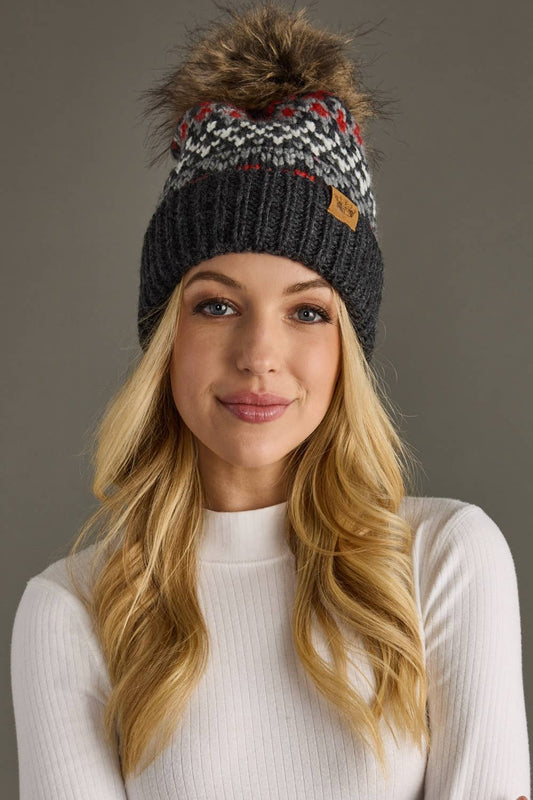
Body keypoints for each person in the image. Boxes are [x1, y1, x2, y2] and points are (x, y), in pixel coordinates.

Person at [10, 1, 530, 798]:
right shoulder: (71, 612)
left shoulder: (444, 561)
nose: (259, 358)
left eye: (308, 311)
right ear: (165, 338)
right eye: (216, 305)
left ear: (345, 348)